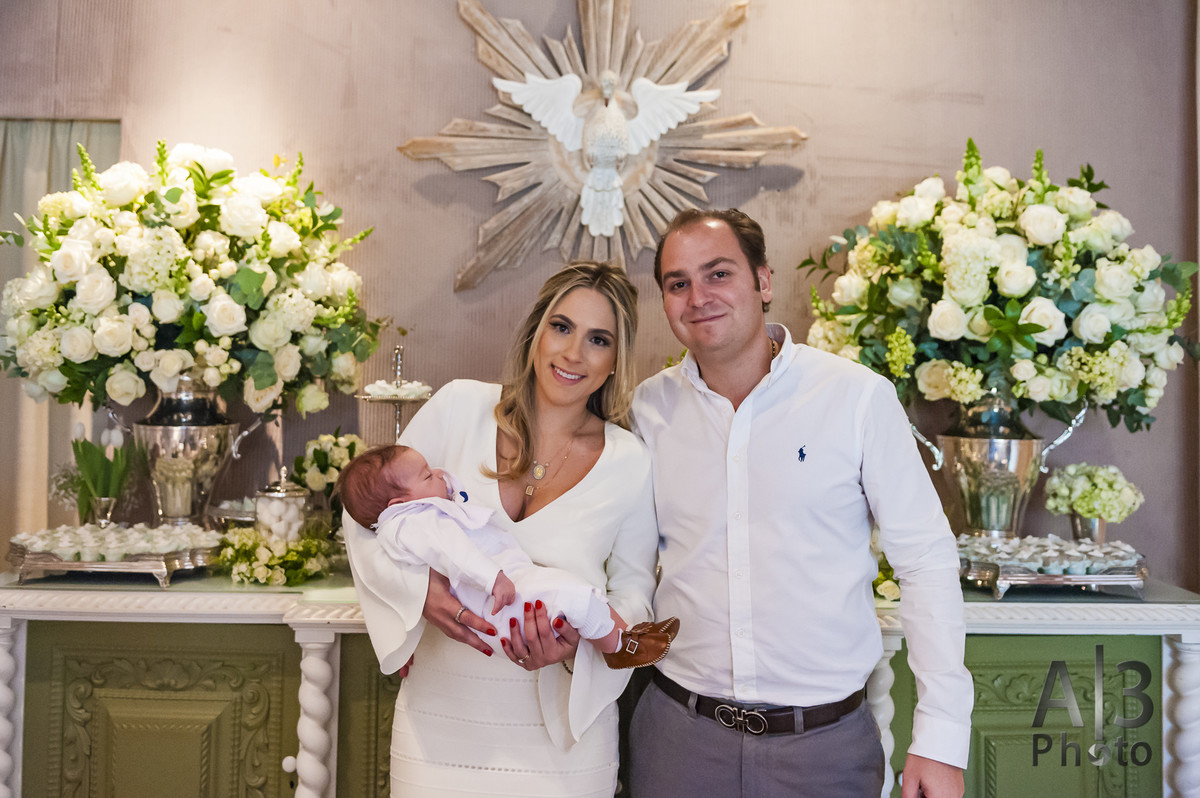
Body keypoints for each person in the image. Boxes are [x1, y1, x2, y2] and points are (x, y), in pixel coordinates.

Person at [629, 208, 972, 798]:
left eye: (718, 274)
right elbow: (627, 562)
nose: (698, 297)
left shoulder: (857, 398)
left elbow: (925, 560)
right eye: (677, 283)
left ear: (763, 281)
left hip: (825, 750)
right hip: (677, 740)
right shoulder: (647, 409)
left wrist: (940, 738)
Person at [342, 261, 659, 798]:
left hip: (562, 745)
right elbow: (366, 518)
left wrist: (574, 649)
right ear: (537, 331)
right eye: (562, 327)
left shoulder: (630, 460)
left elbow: (635, 595)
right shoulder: (457, 406)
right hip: (440, 725)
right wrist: (419, 590)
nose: (573, 353)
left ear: (614, 361)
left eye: (598, 339)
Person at [336, 443, 678, 669]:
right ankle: (619, 648)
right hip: (498, 598)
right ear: (398, 504)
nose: (439, 473)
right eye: (428, 475)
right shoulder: (416, 520)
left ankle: (629, 635)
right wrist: (493, 579)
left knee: (576, 591)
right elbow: (457, 554)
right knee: (576, 596)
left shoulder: (415, 513)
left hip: (510, 583)